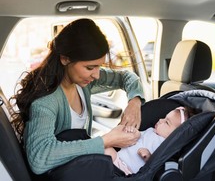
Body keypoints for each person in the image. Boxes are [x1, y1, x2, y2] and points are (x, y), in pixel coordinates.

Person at [10, 18, 145, 175]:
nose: (96, 75)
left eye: (99, 66)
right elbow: (40, 158)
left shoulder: (84, 82)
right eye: (90, 67)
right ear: (65, 59)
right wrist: (106, 140)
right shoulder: (47, 101)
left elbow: (127, 77)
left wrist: (134, 103)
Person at [104, 106, 195, 175]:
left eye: (166, 122)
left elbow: (159, 164)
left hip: (130, 172)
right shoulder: (151, 130)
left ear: (175, 135)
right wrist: (133, 132)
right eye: (164, 117)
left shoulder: (166, 145)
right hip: (118, 160)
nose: (160, 120)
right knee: (106, 149)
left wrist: (149, 157)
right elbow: (137, 136)